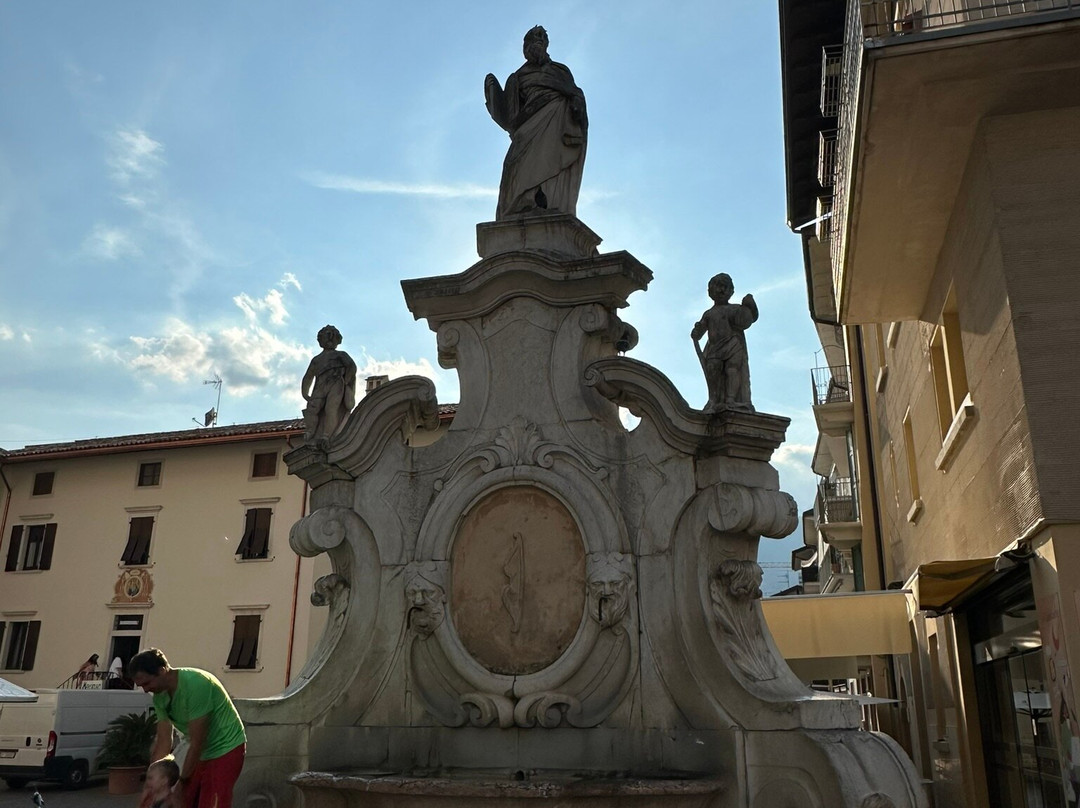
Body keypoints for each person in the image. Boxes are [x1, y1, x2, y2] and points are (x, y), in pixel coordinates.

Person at [485, 26, 587, 220]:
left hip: (557, 124)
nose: (537, 43)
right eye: (533, 40)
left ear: (546, 46)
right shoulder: (517, 78)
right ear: (526, 48)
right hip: (528, 127)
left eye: (542, 40)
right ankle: (520, 205)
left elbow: (574, 93)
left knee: (552, 164)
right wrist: (492, 93)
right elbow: (509, 117)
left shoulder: (560, 71)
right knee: (513, 166)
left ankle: (546, 202)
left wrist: (576, 103)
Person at [129, 649, 246, 808]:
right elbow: (163, 741)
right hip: (201, 751)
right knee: (183, 800)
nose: (145, 690)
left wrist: (181, 783)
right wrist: (150, 784)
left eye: (147, 683)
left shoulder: (196, 684)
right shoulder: (160, 697)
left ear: (162, 671)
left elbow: (198, 742)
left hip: (226, 748)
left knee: (209, 801)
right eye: (141, 685)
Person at [691, 273, 759, 412]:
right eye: (718, 287)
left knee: (733, 369)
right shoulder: (708, 313)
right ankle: (714, 400)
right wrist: (697, 332)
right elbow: (700, 332)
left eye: (725, 287)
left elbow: (746, 321)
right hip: (714, 349)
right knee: (713, 372)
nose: (721, 290)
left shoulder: (734, 309)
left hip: (733, 345)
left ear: (731, 291)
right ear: (710, 291)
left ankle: (731, 400)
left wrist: (749, 307)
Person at [300, 324, 357, 446]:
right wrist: (305, 392)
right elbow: (308, 376)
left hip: (336, 384)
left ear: (337, 340)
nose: (329, 339)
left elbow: (352, 368)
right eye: (327, 336)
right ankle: (311, 431)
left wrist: (345, 382)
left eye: (332, 336)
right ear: (321, 340)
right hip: (320, 386)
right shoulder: (316, 359)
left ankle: (326, 436)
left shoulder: (341, 355)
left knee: (331, 409)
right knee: (312, 409)